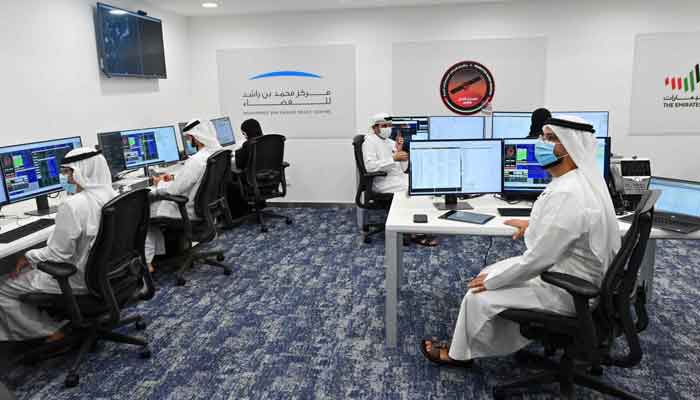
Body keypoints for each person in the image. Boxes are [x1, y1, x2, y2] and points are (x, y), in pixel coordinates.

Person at [421, 115, 620, 366]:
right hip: (575, 276)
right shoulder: (580, 182)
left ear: (570, 147)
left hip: (568, 289)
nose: (542, 144)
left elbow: (539, 259)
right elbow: (567, 229)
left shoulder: (568, 193)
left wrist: (495, 283)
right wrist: (533, 225)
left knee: (477, 294)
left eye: (550, 138)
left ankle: (458, 355)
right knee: (490, 271)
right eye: (543, 137)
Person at [0, 148, 117, 342]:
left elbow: (58, 255)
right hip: (109, 273)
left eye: (67, 172)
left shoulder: (73, 205)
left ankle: (49, 330)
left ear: (81, 171)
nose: (65, 178)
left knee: (3, 286)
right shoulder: (112, 194)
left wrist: (27, 257)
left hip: (77, 278)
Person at [145, 119, 222, 272]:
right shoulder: (217, 153)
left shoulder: (196, 160)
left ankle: (148, 262)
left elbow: (173, 191)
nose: (188, 141)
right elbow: (194, 179)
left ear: (196, 137)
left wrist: (155, 188)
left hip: (188, 211)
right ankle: (156, 257)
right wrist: (174, 178)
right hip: (207, 208)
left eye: (189, 138)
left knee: (143, 214)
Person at [363, 113, 437, 247]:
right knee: (413, 191)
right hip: (382, 182)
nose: (388, 128)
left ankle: (419, 225)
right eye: (384, 125)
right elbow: (369, 167)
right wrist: (394, 158)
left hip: (397, 178)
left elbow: (403, 169)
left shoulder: (391, 142)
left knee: (423, 184)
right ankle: (416, 232)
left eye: (390, 125)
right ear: (375, 128)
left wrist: (401, 153)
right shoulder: (369, 142)